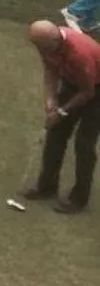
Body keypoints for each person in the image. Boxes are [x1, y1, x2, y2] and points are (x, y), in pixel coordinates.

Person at [23, 22, 100, 214]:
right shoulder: (47, 45)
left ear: (54, 41)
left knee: (84, 143)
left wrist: (62, 111)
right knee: (55, 133)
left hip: (95, 88)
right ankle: (47, 187)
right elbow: (50, 71)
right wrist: (51, 103)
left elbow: (87, 92)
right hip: (74, 83)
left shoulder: (79, 54)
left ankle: (79, 199)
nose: (39, 50)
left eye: (41, 46)